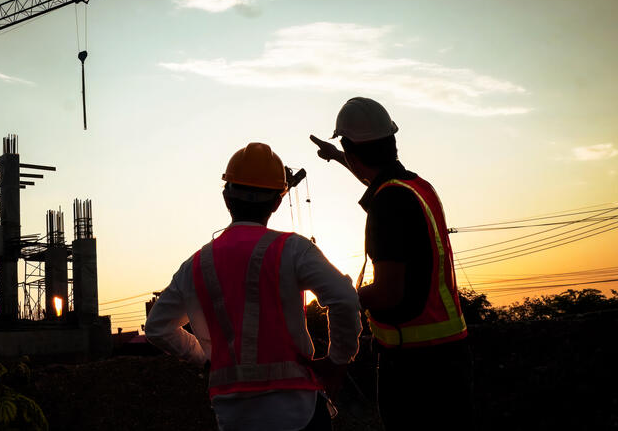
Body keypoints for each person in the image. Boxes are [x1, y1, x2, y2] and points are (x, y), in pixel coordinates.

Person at [145, 142, 362, 431]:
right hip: (297, 410)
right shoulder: (292, 249)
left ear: (226, 197)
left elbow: (157, 328)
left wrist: (206, 357)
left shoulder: (195, 265)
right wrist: (337, 360)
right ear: (277, 202)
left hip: (233, 416)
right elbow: (345, 299)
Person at [309, 97, 474, 431]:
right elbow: (375, 176)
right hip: (450, 358)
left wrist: (343, 298)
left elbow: (387, 294)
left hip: (414, 366)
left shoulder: (388, 204)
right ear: (392, 142)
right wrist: (339, 157)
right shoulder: (416, 186)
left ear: (356, 154)